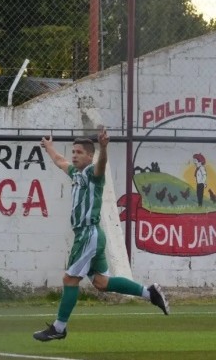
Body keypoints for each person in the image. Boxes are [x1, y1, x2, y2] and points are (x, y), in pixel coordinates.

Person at [33, 127, 169, 342]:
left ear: (90, 156)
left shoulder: (93, 174)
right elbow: (60, 161)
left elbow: (101, 166)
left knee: (70, 279)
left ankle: (59, 328)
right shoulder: (76, 173)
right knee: (101, 283)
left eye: (79, 152)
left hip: (88, 234)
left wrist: (104, 148)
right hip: (89, 235)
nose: (74, 155)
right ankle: (149, 292)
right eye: (74, 152)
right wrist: (50, 147)